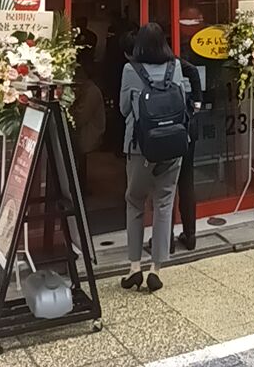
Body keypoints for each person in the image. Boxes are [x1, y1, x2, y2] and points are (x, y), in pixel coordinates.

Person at [119, 23, 185, 292]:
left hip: (140, 148)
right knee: (164, 203)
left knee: (135, 202)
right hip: (173, 145)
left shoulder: (130, 70)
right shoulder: (175, 67)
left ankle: (134, 267)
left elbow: (124, 109)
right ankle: (156, 268)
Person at [172, 58, 203, 251]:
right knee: (186, 179)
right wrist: (196, 103)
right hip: (185, 125)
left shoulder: (141, 65)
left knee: (164, 186)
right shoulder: (172, 61)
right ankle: (190, 235)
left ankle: (166, 240)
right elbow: (192, 70)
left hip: (161, 130)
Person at [71, 49, 106, 193]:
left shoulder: (91, 91)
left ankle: (80, 188)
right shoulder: (85, 88)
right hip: (85, 131)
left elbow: (81, 117)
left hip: (89, 132)